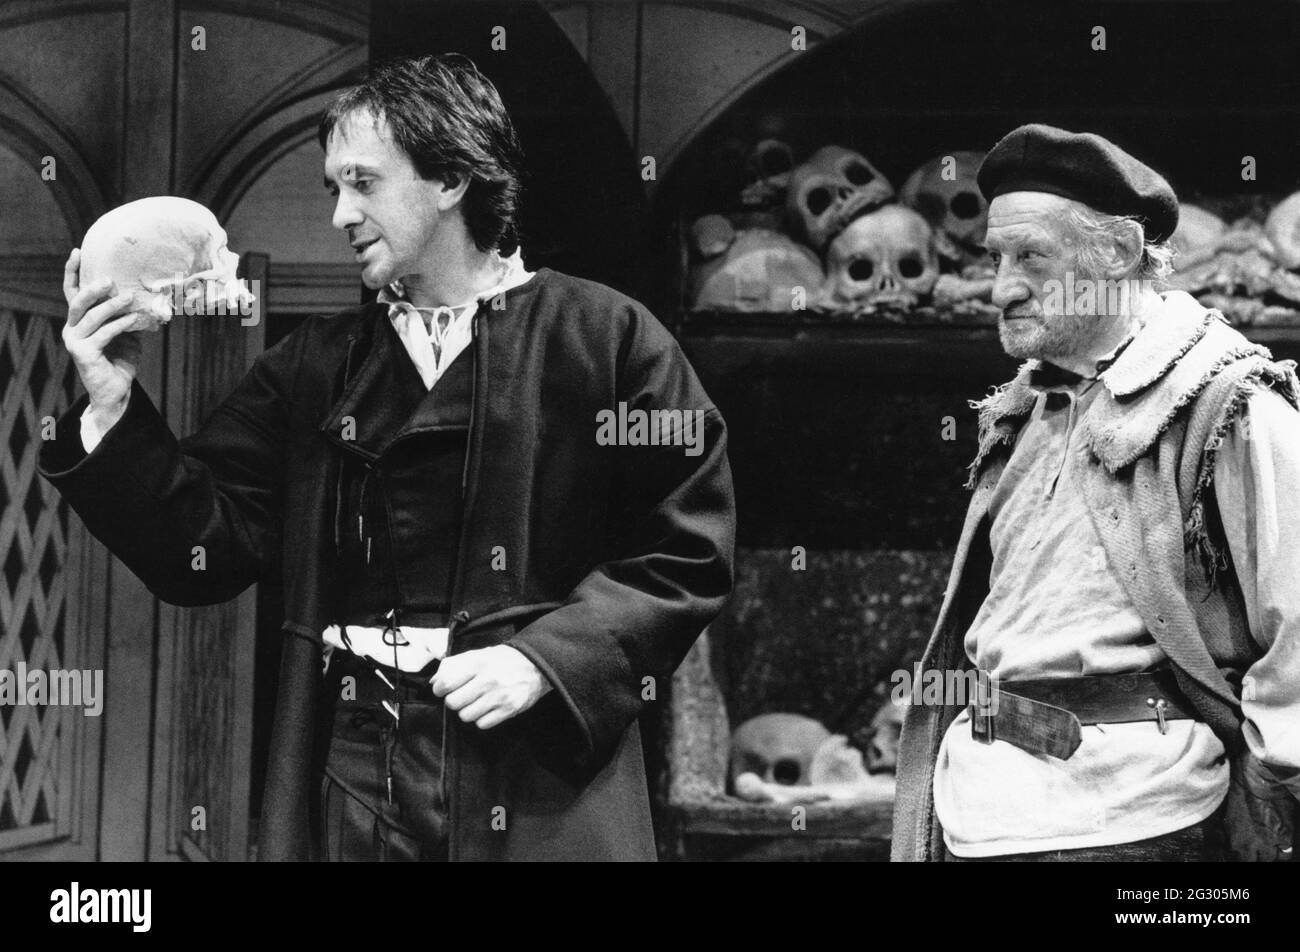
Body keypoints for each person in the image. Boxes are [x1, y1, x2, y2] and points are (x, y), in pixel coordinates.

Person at [39, 53, 736, 862]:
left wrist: (547, 660)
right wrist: (112, 405)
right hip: (356, 773)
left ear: (449, 179)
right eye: (334, 186)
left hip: (539, 769)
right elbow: (207, 553)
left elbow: (686, 548)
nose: (340, 213)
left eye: (363, 183)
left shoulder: (607, 341)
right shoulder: (315, 367)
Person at [892, 123, 1300, 862]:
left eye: (1031, 259)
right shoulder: (1025, 408)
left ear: (1116, 254)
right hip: (977, 809)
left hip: (1136, 823)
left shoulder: (1225, 403)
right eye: (996, 258)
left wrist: (1269, 801)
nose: (1002, 287)